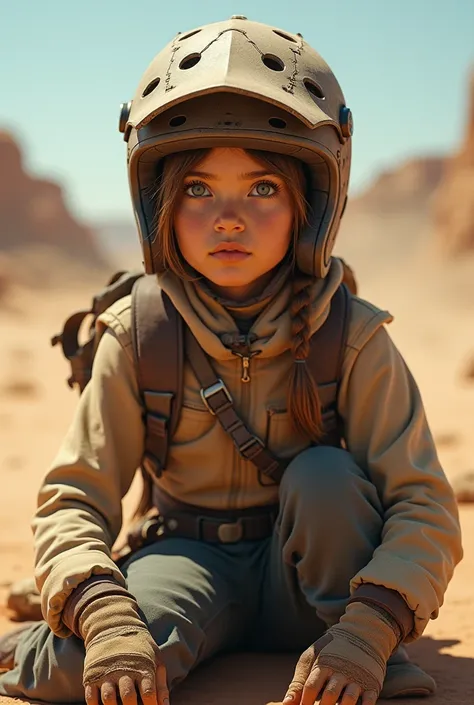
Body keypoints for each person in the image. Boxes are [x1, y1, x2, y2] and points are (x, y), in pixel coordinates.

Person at [0, 16, 463, 705]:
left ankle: (354, 655)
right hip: (188, 559)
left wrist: (372, 627)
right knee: (95, 676)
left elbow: (424, 503)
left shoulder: (354, 336)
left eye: (263, 188)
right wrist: (99, 606)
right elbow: (75, 497)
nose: (228, 217)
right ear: (156, 202)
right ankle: (52, 619)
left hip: (321, 585)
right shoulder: (139, 331)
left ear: (313, 204)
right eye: (197, 189)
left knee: (326, 476)